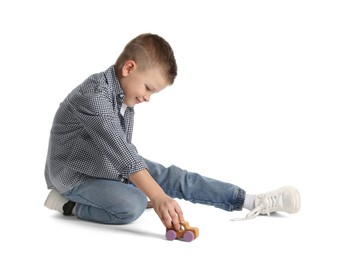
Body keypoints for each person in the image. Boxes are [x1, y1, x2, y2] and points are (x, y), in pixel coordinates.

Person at [44, 33, 301, 230]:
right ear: (129, 68)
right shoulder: (93, 97)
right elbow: (124, 157)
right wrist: (157, 197)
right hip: (76, 175)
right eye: (148, 88)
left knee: (174, 177)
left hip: (107, 165)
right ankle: (68, 205)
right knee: (131, 204)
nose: (147, 98)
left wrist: (156, 192)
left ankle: (251, 201)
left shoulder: (123, 95)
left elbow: (125, 158)